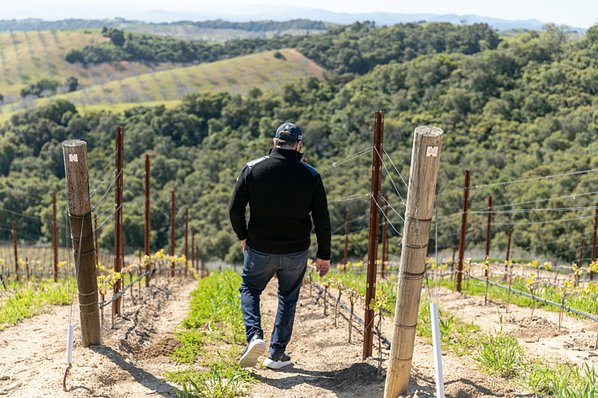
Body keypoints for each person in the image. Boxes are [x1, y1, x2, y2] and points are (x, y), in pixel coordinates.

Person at [229, 122, 331, 370]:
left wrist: (243, 236)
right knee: (288, 298)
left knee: (250, 289)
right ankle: (275, 354)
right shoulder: (311, 175)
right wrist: (324, 255)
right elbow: (322, 219)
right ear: (299, 145)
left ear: (275, 143)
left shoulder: (253, 169)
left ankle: (254, 336)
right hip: (296, 251)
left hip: (260, 248)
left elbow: (235, 209)